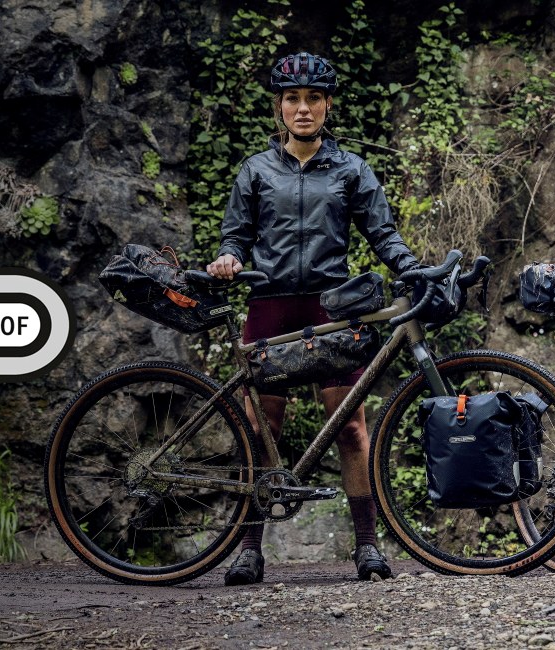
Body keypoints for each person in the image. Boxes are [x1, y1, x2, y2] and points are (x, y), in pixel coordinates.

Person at [206, 51, 421, 585]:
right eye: (292, 99)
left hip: (332, 307)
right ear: (279, 107)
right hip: (270, 305)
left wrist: (413, 269)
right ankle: (249, 550)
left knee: (350, 426)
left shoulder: (351, 169)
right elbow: (235, 234)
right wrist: (230, 256)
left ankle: (368, 548)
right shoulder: (255, 170)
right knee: (261, 428)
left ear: (327, 105)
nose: (303, 109)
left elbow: (383, 234)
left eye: (313, 99)